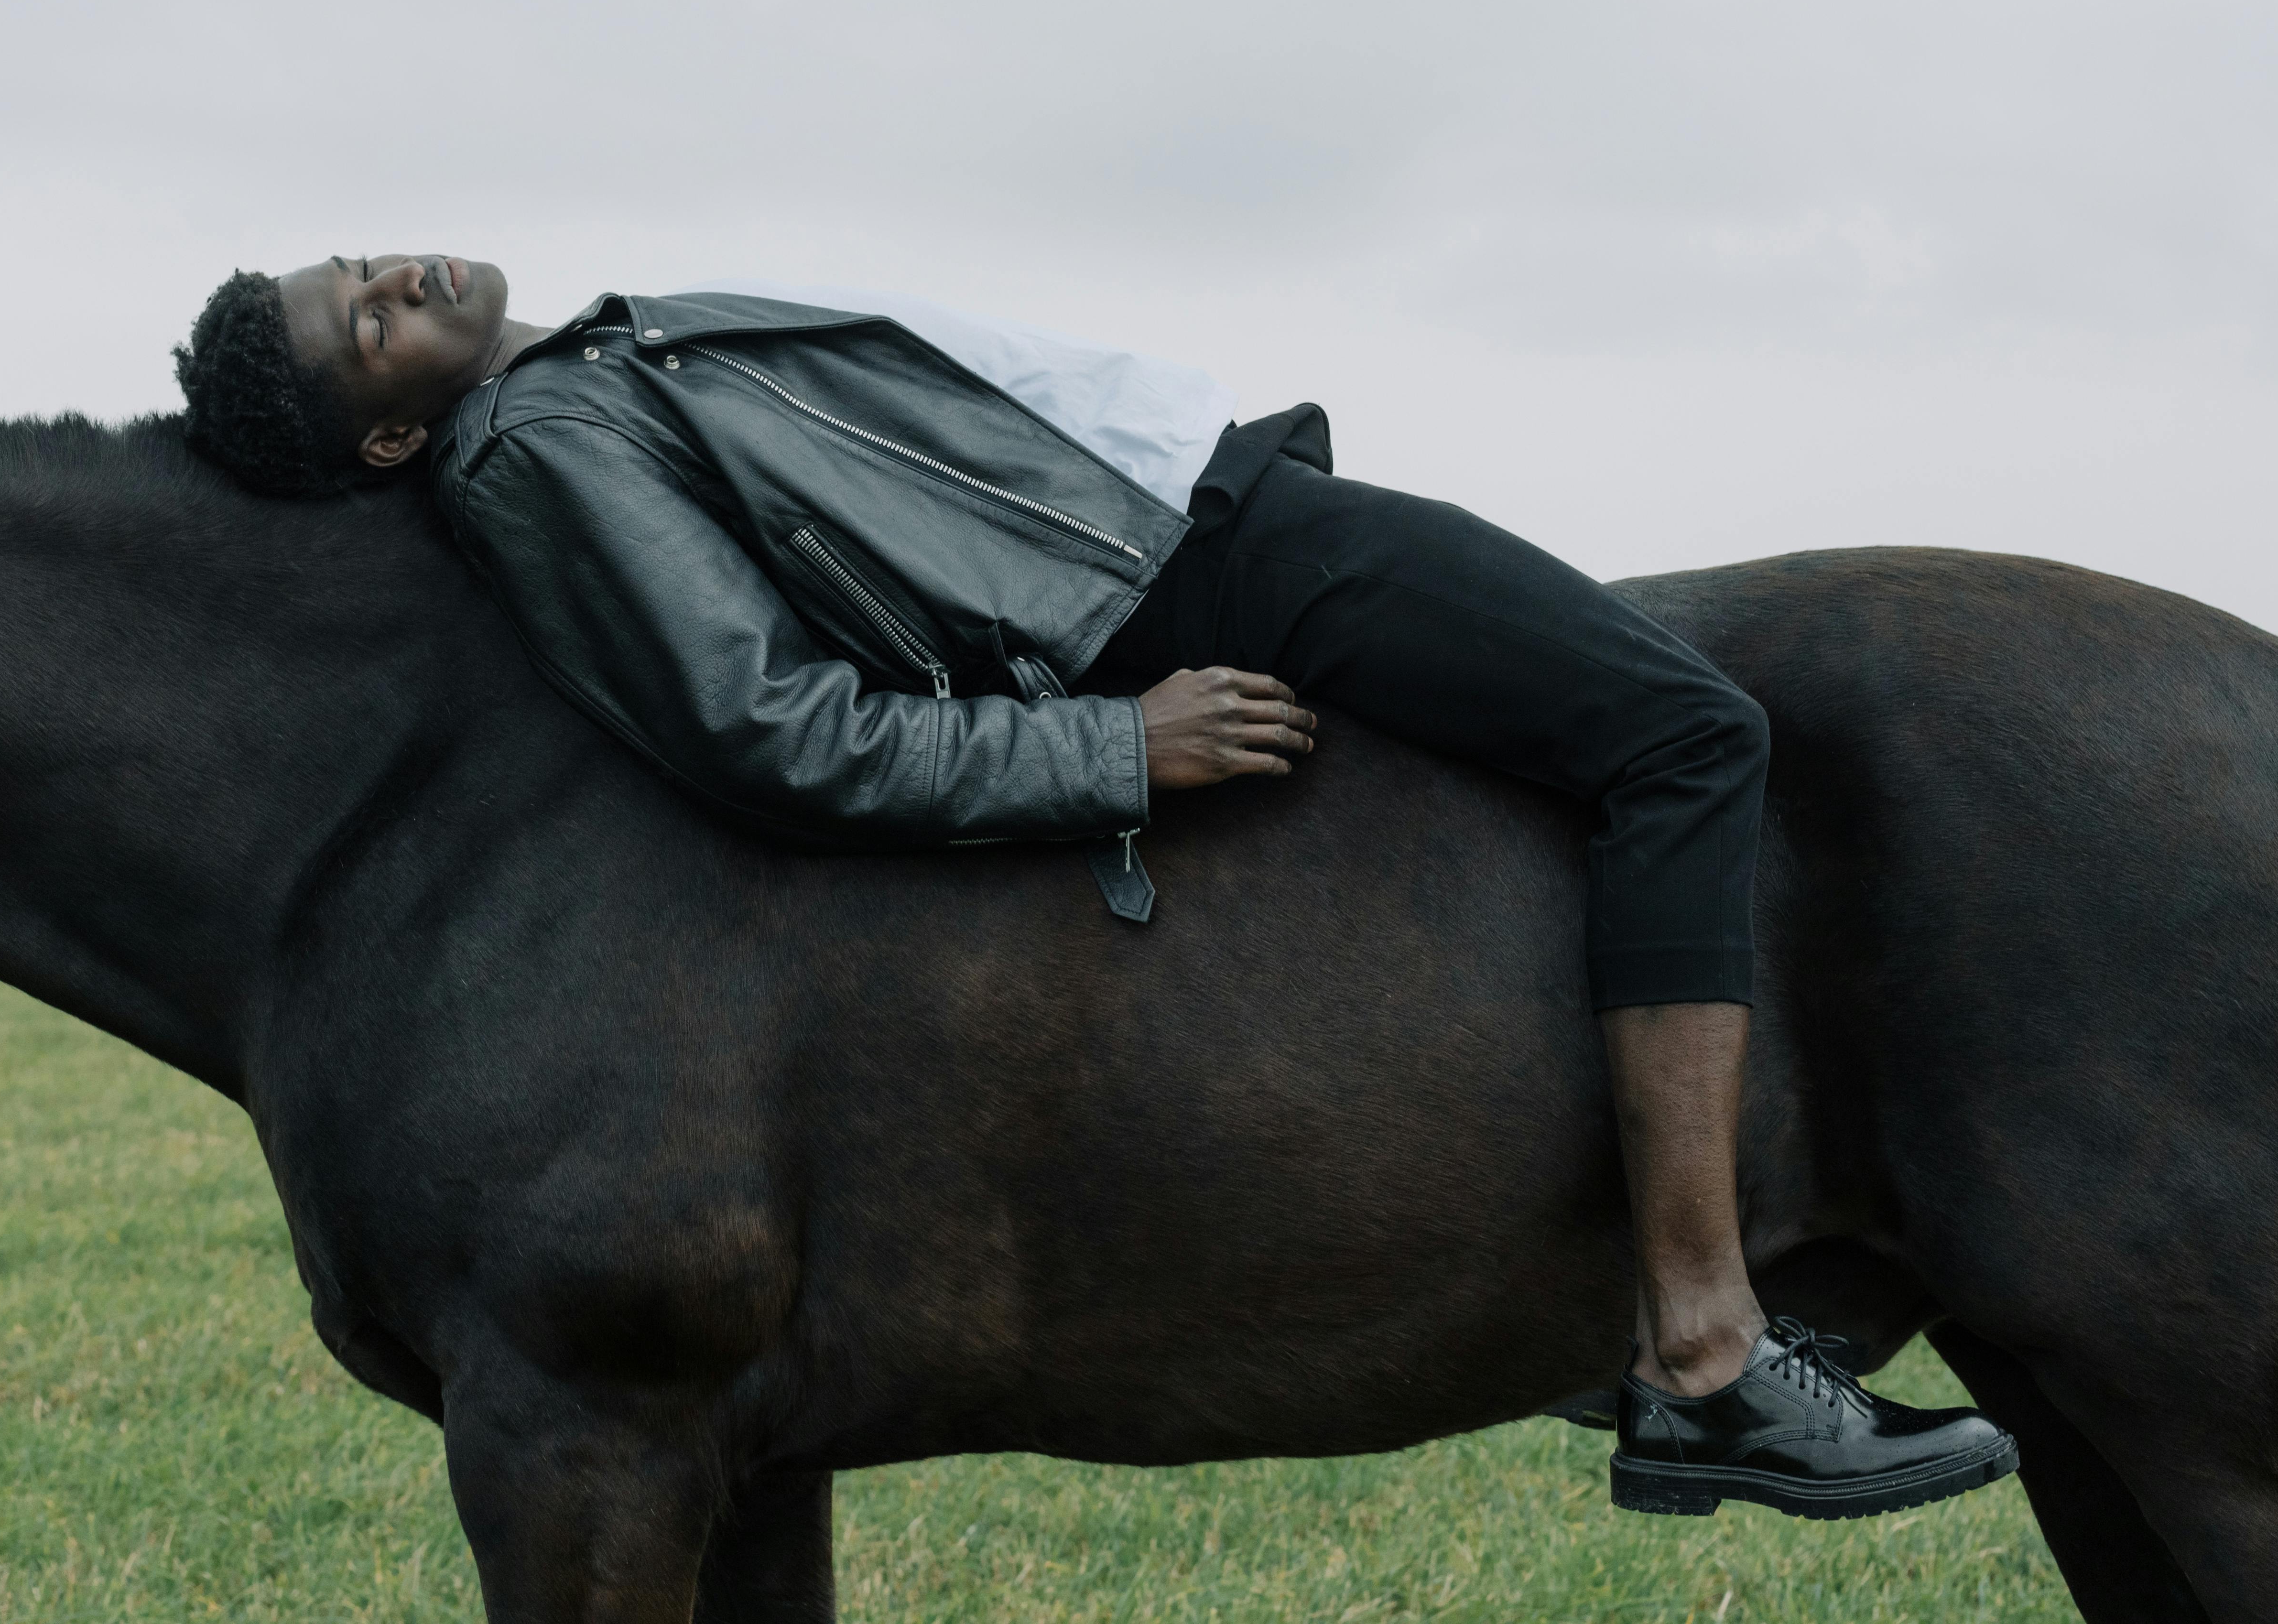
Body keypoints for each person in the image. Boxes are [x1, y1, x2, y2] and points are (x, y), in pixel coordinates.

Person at [173, 251, 2014, 1518]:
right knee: (1687, 734)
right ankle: (1707, 1347)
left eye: (369, 265)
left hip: (1190, 528)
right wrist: (1115, 752)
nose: (399, 279)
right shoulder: (540, 446)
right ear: (394, 435)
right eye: (368, 324)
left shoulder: (570, 375)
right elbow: (767, 726)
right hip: (1191, 579)